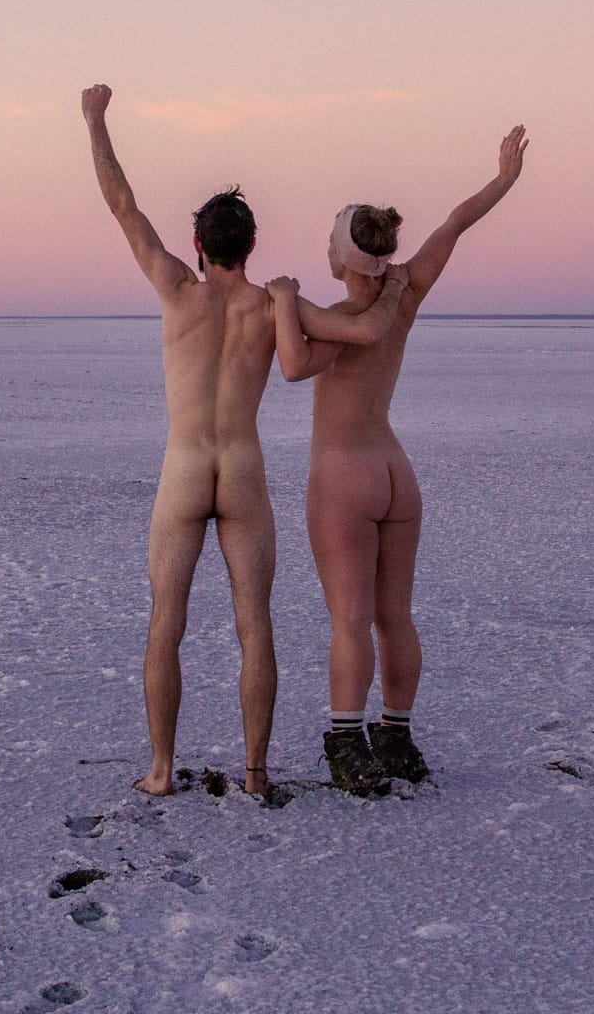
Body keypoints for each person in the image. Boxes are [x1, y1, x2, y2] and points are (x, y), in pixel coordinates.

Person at [81, 84, 408, 796]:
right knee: (253, 625)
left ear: (198, 245)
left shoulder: (176, 286)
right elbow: (363, 330)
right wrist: (387, 285)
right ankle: (255, 773)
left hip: (185, 468)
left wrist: (95, 118)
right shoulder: (271, 307)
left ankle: (163, 770)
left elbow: (123, 205)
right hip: (243, 471)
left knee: (166, 620)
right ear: (251, 245)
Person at [267, 125, 528, 793]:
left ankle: (348, 741)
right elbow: (455, 224)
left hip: (345, 476)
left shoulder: (336, 315)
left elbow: (293, 368)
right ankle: (398, 735)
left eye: (331, 244)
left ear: (342, 259)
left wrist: (280, 304)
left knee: (350, 619)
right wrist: (503, 177)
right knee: (396, 616)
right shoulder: (405, 293)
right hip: (396, 472)